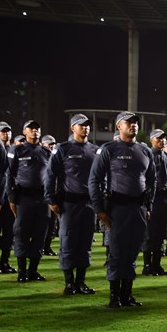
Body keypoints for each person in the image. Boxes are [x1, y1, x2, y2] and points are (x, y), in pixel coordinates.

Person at [88, 111, 156, 308]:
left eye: (135, 122)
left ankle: (127, 294)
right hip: (117, 208)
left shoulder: (144, 151)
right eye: (128, 122)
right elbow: (95, 180)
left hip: (138, 208)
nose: (133, 125)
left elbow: (152, 181)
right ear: (119, 126)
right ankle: (114, 296)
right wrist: (99, 209)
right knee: (117, 253)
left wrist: (149, 206)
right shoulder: (109, 149)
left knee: (133, 251)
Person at [44, 113, 99, 294]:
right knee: (68, 241)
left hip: (89, 204)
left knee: (85, 243)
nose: (85, 128)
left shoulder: (95, 150)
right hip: (69, 203)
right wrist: (51, 200)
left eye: (87, 125)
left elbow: (101, 178)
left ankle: (81, 282)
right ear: (72, 127)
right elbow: (50, 175)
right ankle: (69, 282)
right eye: (81, 125)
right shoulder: (62, 149)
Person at [5, 120, 51, 282]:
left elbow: (52, 177)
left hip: (42, 199)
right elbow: (9, 175)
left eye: (37, 128)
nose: (35, 131)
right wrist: (11, 198)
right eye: (31, 128)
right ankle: (22, 272)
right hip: (23, 198)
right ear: (24, 131)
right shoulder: (17, 150)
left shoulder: (46, 152)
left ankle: (33, 271)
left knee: (40, 235)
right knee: (22, 234)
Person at [141, 129, 167, 277]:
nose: (161, 141)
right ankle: (147, 265)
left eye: (163, 138)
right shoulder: (147, 155)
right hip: (153, 198)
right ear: (152, 140)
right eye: (158, 138)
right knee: (150, 232)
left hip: (166, 198)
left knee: (161, 232)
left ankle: (157, 264)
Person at [0, 121, 14, 274]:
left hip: (10, 200)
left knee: (9, 232)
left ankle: (5, 262)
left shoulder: (15, 151)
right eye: (3, 131)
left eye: (8, 131)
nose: (6, 134)